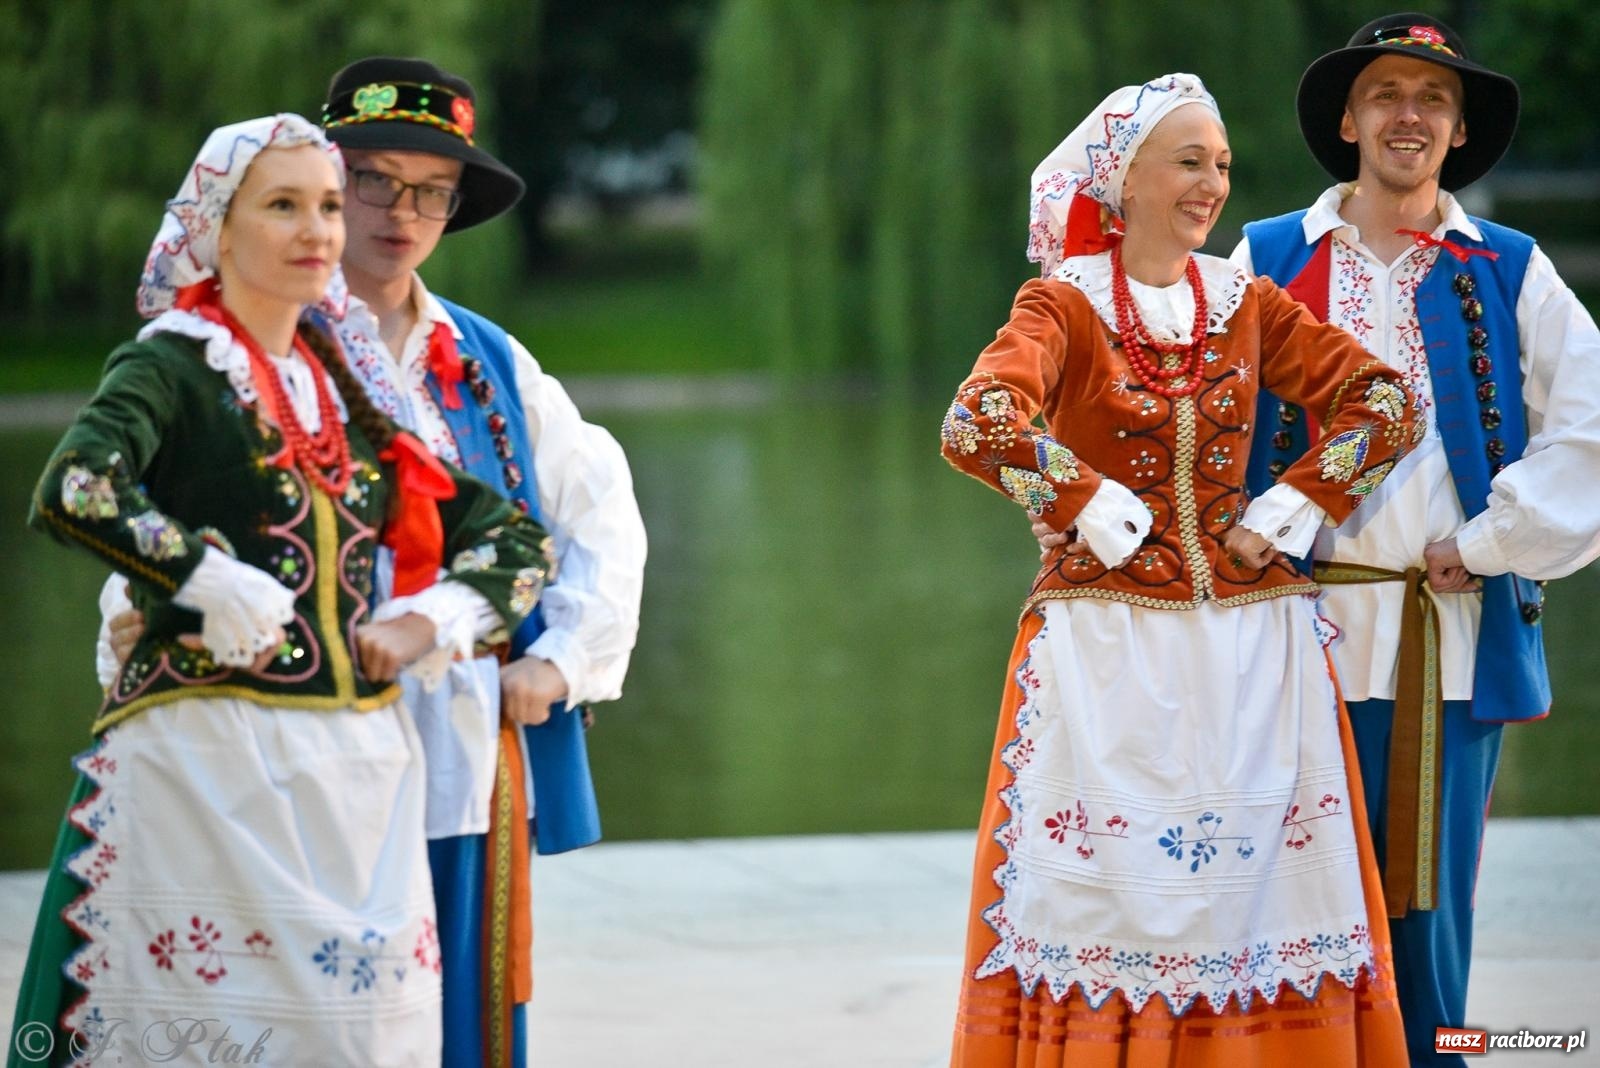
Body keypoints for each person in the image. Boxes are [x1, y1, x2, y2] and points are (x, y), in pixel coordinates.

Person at [99, 58, 648, 1068]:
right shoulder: (242, 350)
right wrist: (150, 619)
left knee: (458, 1018)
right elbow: (154, 511)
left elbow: (598, 510)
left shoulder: (489, 363)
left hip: (455, 745)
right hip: (286, 744)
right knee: (292, 1010)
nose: (402, 211)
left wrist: (561, 661)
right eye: (375, 182)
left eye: (431, 190)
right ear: (320, 189)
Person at [8, 115, 553, 1067]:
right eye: (283, 206)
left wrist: (432, 617)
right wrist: (205, 579)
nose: (318, 231)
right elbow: (76, 486)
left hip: (358, 782)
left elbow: (508, 535)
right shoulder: (172, 363)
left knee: (356, 1043)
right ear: (219, 231)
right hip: (208, 765)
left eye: (331, 206)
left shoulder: (337, 384)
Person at [942, 73, 1419, 1066]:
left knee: (1257, 905)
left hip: (1253, 649)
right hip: (1105, 647)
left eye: (1223, 167)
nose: (1212, 185)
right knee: (1108, 903)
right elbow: (975, 420)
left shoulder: (1244, 301)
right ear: (1123, 181)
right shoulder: (1062, 303)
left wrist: (1292, 505)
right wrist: (1084, 502)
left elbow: (1387, 404)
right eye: (1190, 161)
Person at [1231, 14, 1600, 1065]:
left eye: (1432, 99)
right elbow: (1202, 427)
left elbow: (1590, 426)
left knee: (1426, 926)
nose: (1409, 114)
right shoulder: (1262, 259)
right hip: (1284, 645)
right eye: (1387, 93)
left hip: (1443, 633)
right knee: (1286, 913)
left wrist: (1488, 543)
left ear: (1456, 129)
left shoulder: (1508, 267)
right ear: (1347, 119)